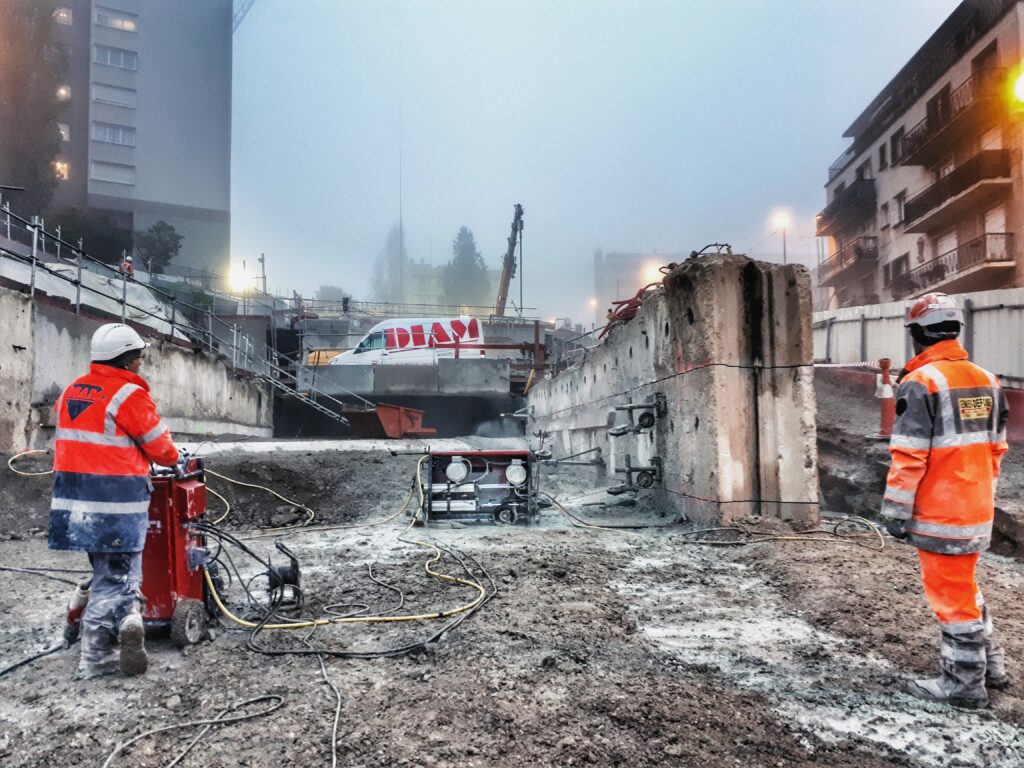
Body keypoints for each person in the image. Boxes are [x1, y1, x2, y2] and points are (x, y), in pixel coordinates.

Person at [881, 292, 1009, 709]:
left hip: (941, 513)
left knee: (951, 600)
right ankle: (992, 665)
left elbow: (909, 455)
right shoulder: (987, 379)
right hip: (976, 507)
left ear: (918, 333)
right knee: (965, 588)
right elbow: (996, 450)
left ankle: (963, 686)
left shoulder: (921, 382)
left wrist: (895, 512)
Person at [49, 323, 180, 679]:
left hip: (76, 502)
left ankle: (119, 620)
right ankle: (96, 657)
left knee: (105, 570)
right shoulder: (127, 395)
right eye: (138, 357)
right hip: (115, 502)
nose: (141, 363)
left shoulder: (73, 391)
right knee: (117, 579)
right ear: (127, 359)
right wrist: (174, 457)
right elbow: (163, 451)